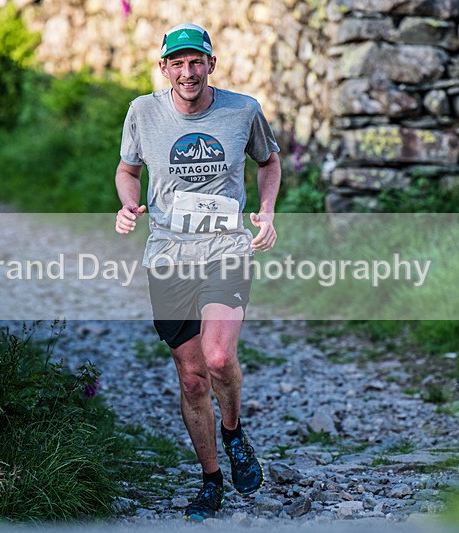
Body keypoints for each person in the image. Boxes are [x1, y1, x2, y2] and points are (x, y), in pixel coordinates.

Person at [114, 22, 281, 521]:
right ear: (164, 68)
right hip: (169, 255)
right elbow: (128, 170)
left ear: (211, 64)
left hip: (225, 249)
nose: (188, 72)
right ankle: (211, 481)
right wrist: (128, 205)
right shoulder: (143, 112)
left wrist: (266, 212)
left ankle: (233, 432)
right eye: (178, 63)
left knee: (218, 357)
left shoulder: (242, 110)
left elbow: (269, 162)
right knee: (191, 378)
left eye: (196, 62)